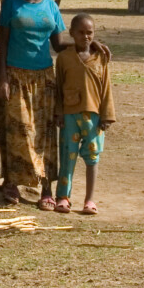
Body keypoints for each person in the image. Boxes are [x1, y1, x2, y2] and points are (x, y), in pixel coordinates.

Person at [0, 0, 108, 209]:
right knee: (17, 130)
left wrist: (88, 44)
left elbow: (58, 44)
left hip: (44, 77)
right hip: (16, 75)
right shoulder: (11, 4)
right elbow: (2, 43)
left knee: (45, 133)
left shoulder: (51, 7)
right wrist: (2, 77)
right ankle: (12, 182)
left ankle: (46, 188)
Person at [52, 14, 114, 214]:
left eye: (89, 33)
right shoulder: (64, 58)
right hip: (69, 115)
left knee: (92, 157)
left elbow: (106, 88)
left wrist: (106, 115)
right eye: (80, 32)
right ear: (71, 33)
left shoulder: (100, 58)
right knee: (67, 156)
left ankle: (89, 200)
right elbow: (58, 87)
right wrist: (59, 113)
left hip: (94, 117)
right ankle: (63, 197)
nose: (85, 37)